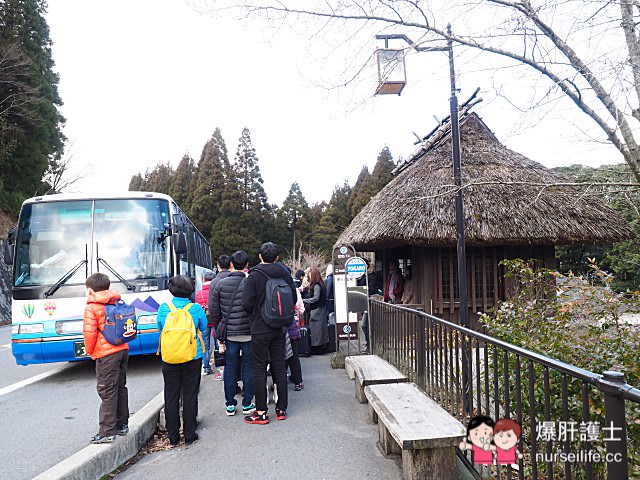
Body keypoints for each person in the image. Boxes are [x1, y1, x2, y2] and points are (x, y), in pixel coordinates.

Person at [242, 242, 297, 424]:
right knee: (279, 366)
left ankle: (261, 412)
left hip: (259, 327)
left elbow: (247, 304)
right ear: (277, 257)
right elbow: (294, 298)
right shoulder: (285, 274)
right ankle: (281, 409)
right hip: (280, 327)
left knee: (259, 367)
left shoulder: (254, 276)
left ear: (260, 256)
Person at [157, 275, 208, 446]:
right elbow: (203, 326)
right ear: (189, 290)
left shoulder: (164, 308)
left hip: (169, 357)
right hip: (193, 356)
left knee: (171, 395)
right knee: (190, 394)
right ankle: (189, 433)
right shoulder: (195, 308)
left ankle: (172, 436)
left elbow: (161, 328)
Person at [83, 273, 130, 444]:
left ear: (90, 289)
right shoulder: (116, 300)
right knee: (120, 387)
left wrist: (91, 352)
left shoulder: (92, 306)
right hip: (122, 349)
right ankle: (122, 424)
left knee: (107, 391)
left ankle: (107, 431)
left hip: (106, 353)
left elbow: (89, 334)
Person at [210, 250, 255, 417]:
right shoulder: (251, 282)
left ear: (231, 265)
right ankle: (247, 403)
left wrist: (220, 332)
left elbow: (215, 311)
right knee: (249, 367)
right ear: (247, 265)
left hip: (230, 334)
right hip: (249, 332)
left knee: (230, 367)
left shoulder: (221, 284)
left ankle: (230, 404)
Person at [208, 255, 232, 380]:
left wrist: (218, 327)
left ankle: (230, 384)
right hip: (241, 326)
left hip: (222, 326)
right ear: (231, 265)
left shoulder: (215, 282)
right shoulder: (241, 278)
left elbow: (213, 308)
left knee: (225, 357)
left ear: (218, 266)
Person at [302, 267, 329, 353]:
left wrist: (304, 300)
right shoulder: (321, 284)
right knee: (320, 330)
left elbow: (316, 298)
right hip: (320, 309)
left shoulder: (316, 285)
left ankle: (317, 348)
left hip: (316, 310)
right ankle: (321, 347)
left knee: (316, 330)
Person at [195, 271, 215, 375]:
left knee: (205, 344)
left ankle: (206, 367)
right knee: (218, 343)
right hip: (216, 320)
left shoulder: (199, 294)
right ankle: (220, 366)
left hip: (204, 322)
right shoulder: (215, 291)